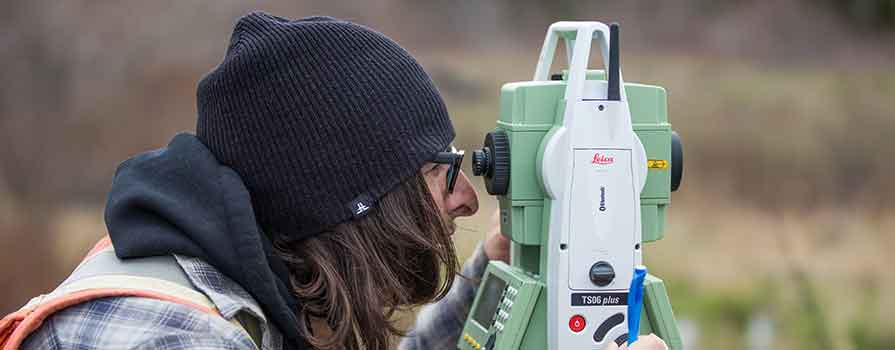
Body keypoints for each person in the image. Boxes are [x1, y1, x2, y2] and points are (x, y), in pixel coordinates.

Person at [14, 12, 667, 350]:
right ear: (355, 197)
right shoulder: (165, 337)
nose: (470, 197)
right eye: (442, 172)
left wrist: (491, 275)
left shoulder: (224, 290)